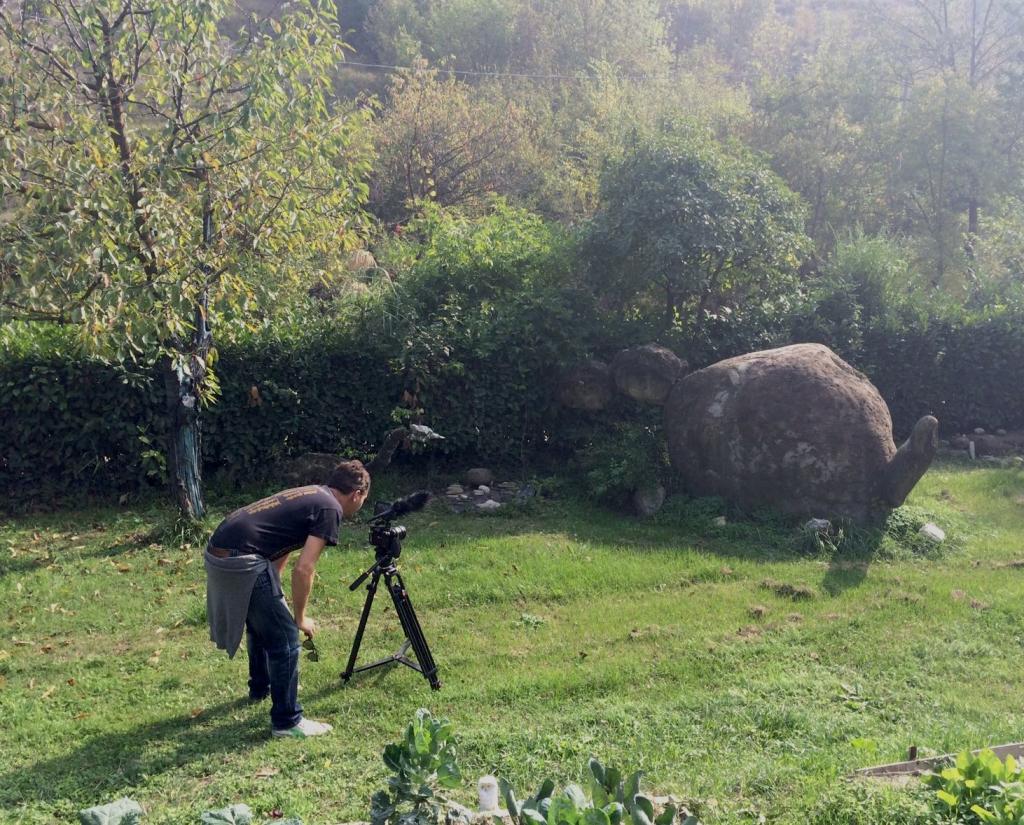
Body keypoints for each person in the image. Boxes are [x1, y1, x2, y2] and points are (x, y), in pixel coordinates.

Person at [204, 460, 370, 738]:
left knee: (263, 625)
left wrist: (274, 588)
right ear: (357, 494)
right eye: (364, 499)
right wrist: (300, 617)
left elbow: (280, 539)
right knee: (286, 639)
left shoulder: (314, 493)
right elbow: (305, 568)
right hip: (241, 560)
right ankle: (287, 721)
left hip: (220, 551)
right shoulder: (331, 509)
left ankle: (260, 688)